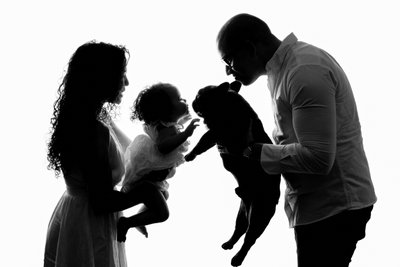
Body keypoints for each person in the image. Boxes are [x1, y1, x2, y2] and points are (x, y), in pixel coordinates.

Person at [216, 13, 377, 267]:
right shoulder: (281, 72)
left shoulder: (304, 71)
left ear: (250, 48)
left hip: (334, 208)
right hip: (318, 207)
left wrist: (253, 151)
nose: (227, 70)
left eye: (229, 60)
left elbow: (319, 158)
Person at [44, 41, 167, 267]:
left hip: (76, 215)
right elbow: (101, 201)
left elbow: (130, 151)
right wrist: (147, 195)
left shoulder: (91, 119)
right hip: (89, 225)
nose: (127, 82)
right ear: (101, 78)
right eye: (122, 74)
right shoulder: (92, 130)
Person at [116, 83, 200, 242]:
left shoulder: (169, 125)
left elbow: (173, 131)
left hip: (152, 180)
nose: (184, 101)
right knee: (162, 214)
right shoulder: (163, 128)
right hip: (146, 179)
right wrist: (186, 133)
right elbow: (163, 147)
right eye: (179, 99)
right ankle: (127, 223)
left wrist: (182, 123)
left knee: (164, 194)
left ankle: (140, 219)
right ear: (166, 110)